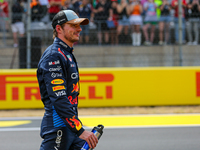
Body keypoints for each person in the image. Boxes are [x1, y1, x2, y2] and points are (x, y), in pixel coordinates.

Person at [37, 9, 98, 150]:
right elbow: (58, 98)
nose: (79, 29)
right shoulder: (54, 56)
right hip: (58, 127)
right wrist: (80, 130)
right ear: (59, 29)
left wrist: (77, 128)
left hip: (69, 127)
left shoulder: (66, 53)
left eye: (79, 26)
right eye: (73, 26)